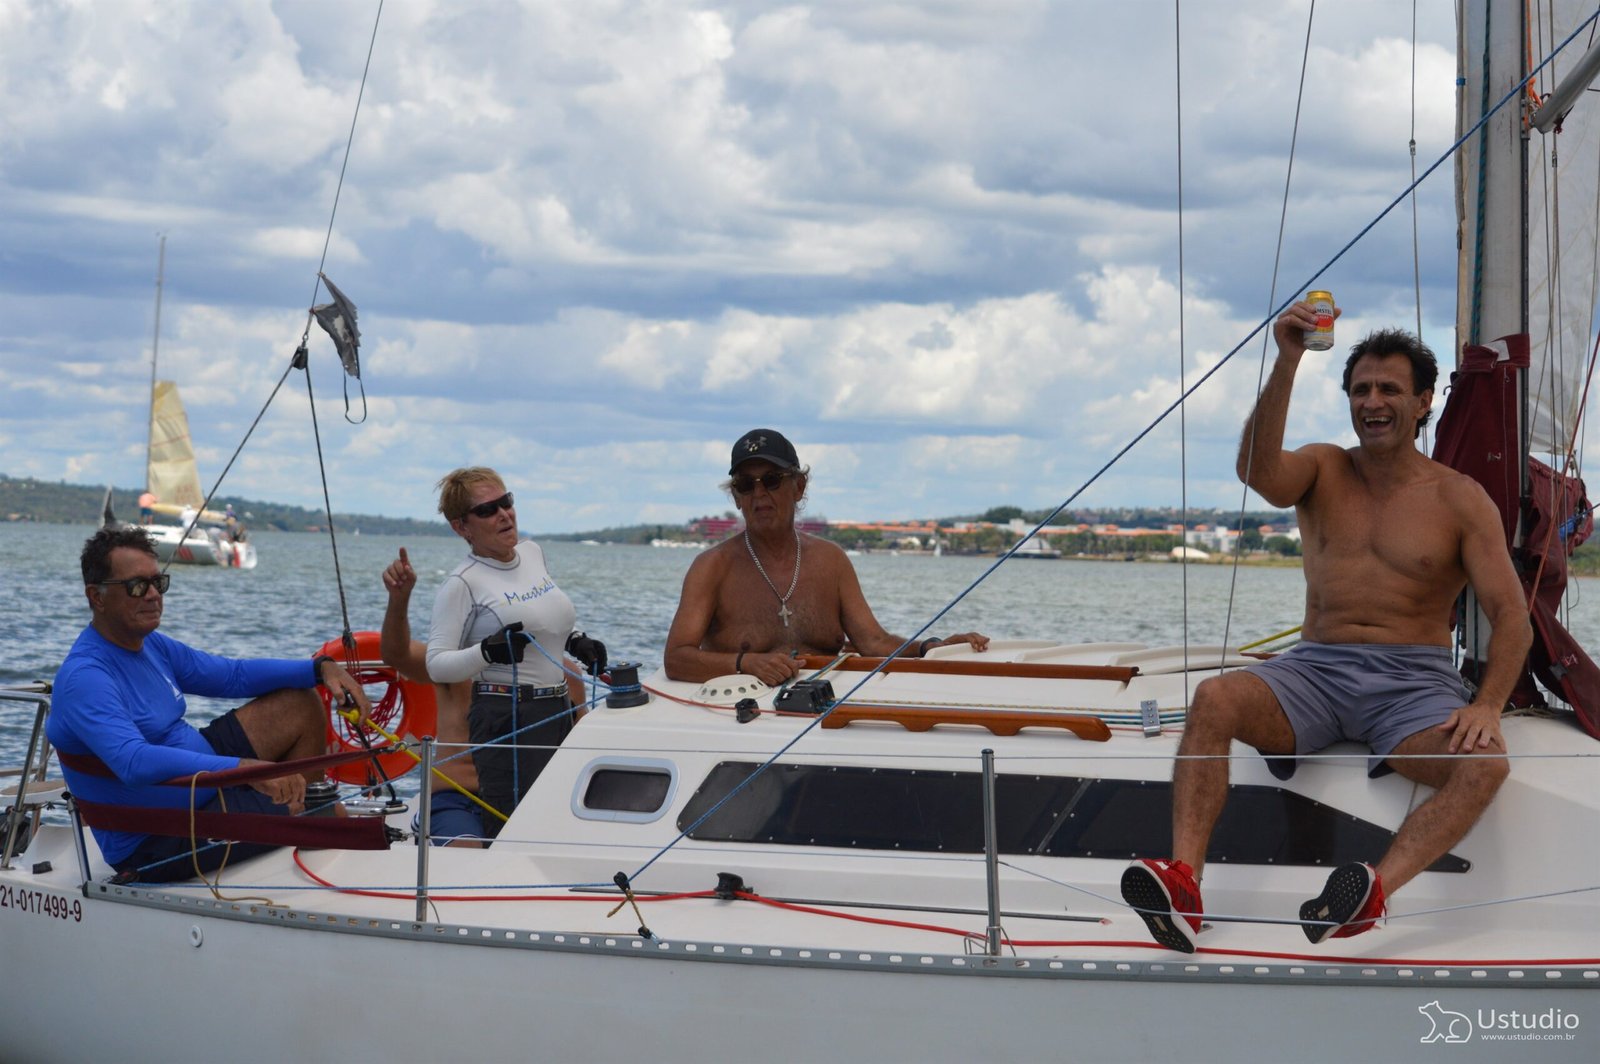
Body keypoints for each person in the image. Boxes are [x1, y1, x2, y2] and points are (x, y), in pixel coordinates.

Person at [1119, 305, 1533, 953]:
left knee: (1485, 765)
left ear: (1423, 402)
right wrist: (1288, 359)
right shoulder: (1323, 468)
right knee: (1215, 698)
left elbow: (1511, 616)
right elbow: (1258, 473)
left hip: (1412, 683)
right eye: (1361, 389)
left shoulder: (1459, 498)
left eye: (1390, 389)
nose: (1373, 402)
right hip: (1316, 671)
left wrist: (1487, 705)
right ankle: (1184, 886)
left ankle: (1373, 894)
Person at [47, 526, 373, 882]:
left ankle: (302, 820)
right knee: (320, 809)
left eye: (158, 582)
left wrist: (319, 669)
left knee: (300, 704)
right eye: (137, 586)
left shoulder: (152, 645)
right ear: (96, 597)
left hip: (204, 784)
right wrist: (243, 770)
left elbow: (233, 676)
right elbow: (133, 762)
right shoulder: (86, 677)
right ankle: (310, 823)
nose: (153, 595)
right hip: (158, 836)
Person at [664, 428, 989, 686]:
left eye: (772, 481)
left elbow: (873, 641)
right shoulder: (712, 568)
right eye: (746, 485)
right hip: (738, 715)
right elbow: (676, 659)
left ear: (799, 486)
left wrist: (930, 647)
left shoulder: (831, 561)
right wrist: (745, 663)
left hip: (821, 713)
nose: (759, 494)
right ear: (736, 497)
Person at [423, 468, 606, 838]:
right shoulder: (462, 583)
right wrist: (487, 653)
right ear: (462, 527)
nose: (504, 514)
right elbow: (436, 665)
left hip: (558, 708)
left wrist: (575, 641)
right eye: (487, 510)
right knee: (514, 828)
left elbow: (543, 623)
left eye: (506, 501)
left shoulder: (532, 553)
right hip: (504, 716)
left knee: (560, 819)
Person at [380, 546, 485, 847]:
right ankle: (428, 827)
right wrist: (399, 599)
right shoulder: (452, 665)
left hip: (527, 801)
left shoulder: (562, 675)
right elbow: (396, 654)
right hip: (457, 798)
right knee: (466, 854)